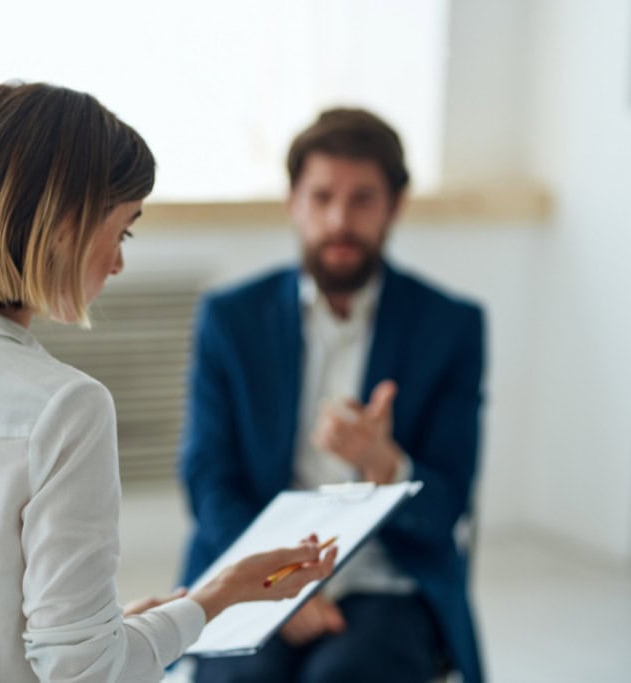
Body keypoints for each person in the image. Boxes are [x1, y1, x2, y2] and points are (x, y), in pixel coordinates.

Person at [0, 82, 336, 683]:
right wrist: (216, 598)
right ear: (64, 224)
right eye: (124, 229)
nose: (118, 262)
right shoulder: (64, 408)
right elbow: (87, 676)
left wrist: (113, 631)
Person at [179, 108, 485, 683]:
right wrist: (275, 582)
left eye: (362, 199)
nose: (339, 219)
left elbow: (449, 505)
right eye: (322, 197)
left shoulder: (451, 326)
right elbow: (207, 477)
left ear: (395, 205)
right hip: (257, 567)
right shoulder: (231, 318)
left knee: (345, 675)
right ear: (294, 201)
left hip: (388, 575)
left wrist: (383, 463)